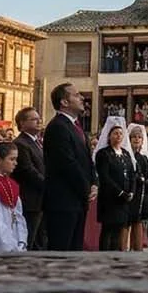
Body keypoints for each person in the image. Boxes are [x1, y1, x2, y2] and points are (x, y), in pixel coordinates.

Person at [42, 84, 94, 252]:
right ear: (64, 102)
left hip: (78, 200)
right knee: (62, 250)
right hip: (63, 201)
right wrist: (86, 188)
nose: (82, 98)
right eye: (76, 95)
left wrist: (94, 183)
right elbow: (67, 163)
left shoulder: (76, 126)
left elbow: (87, 159)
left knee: (75, 249)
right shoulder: (57, 127)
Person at [94, 118, 134, 251]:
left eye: (121, 133)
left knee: (119, 230)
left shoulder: (126, 154)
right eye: (115, 133)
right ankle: (105, 256)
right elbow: (104, 177)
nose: (118, 136)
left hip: (124, 200)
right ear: (109, 135)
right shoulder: (103, 154)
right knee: (108, 230)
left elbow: (131, 174)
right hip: (110, 199)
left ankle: (115, 255)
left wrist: (131, 191)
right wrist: (120, 192)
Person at [11, 107, 45, 250]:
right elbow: (28, 171)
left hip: (40, 199)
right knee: (29, 238)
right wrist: (49, 185)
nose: (39, 121)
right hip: (30, 199)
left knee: (40, 240)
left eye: (39, 118)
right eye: (34, 119)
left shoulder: (36, 142)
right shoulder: (21, 143)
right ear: (22, 123)